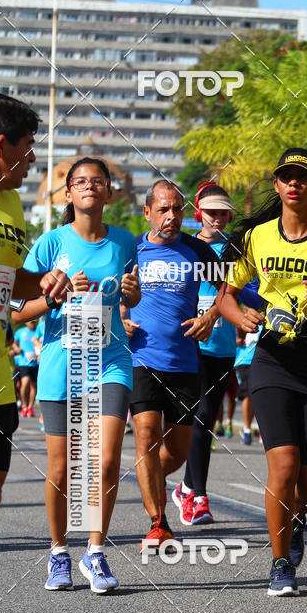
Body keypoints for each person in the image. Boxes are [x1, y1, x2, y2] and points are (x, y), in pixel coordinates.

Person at [217, 147, 307, 596]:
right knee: (284, 465)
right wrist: (238, 316)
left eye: (303, 177)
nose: (294, 183)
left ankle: (295, 519)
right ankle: (280, 563)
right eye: (286, 177)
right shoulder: (258, 236)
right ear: (278, 185)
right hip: (272, 361)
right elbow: (227, 292)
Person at [22, 156, 140, 592]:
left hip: (109, 361)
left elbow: (133, 292)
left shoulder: (126, 243)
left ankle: (95, 551)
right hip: (60, 364)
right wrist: (55, 296)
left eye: (98, 182)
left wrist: (133, 292)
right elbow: (17, 310)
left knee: (105, 461)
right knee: (62, 468)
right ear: (68, 193)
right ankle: (58, 553)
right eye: (80, 182)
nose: (90, 187)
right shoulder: (50, 244)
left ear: (109, 192)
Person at [125, 180, 218, 548]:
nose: (171, 216)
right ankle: (158, 522)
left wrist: (211, 315)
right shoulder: (130, 248)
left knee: (177, 451)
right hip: (142, 358)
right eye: (163, 209)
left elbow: (230, 287)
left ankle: (155, 482)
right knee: (146, 437)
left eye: (177, 208)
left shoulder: (198, 251)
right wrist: (118, 315)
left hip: (185, 363)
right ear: (147, 212)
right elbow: (105, 287)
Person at [0, 93, 70, 525]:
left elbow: (13, 276)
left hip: (0, 376)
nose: (33, 158)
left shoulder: (11, 204)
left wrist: (42, 280)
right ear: (1, 145)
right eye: (27, 145)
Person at [172, 184, 261, 526]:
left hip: (223, 345)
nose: (218, 218)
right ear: (198, 213)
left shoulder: (237, 247)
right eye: (211, 212)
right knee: (203, 414)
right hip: (189, 341)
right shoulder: (185, 247)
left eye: (224, 212)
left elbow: (250, 291)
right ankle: (198, 496)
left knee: (205, 420)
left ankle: (185, 487)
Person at [11, 319, 39, 416]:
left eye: (34, 322)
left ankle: (30, 407)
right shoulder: (21, 331)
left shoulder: (37, 331)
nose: (33, 324)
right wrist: (16, 348)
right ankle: (24, 405)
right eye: (31, 322)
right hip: (23, 363)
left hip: (35, 363)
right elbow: (13, 342)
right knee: (25, 382)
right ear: (26, 322)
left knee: (34, 387)